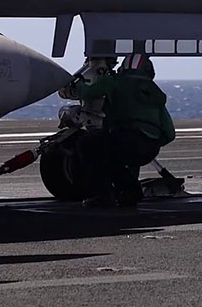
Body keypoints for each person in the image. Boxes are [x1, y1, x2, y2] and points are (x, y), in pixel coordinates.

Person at [74, 53, 176, 208]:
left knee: (88, 144)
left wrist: (78, 84)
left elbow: (87, 92)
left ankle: (102, 195)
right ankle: (128, 193)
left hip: (127, 140)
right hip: (150, 148)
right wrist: (148, 140)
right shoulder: (155, 93)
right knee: (117, 156)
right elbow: (169, 133)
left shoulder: (114, 81)